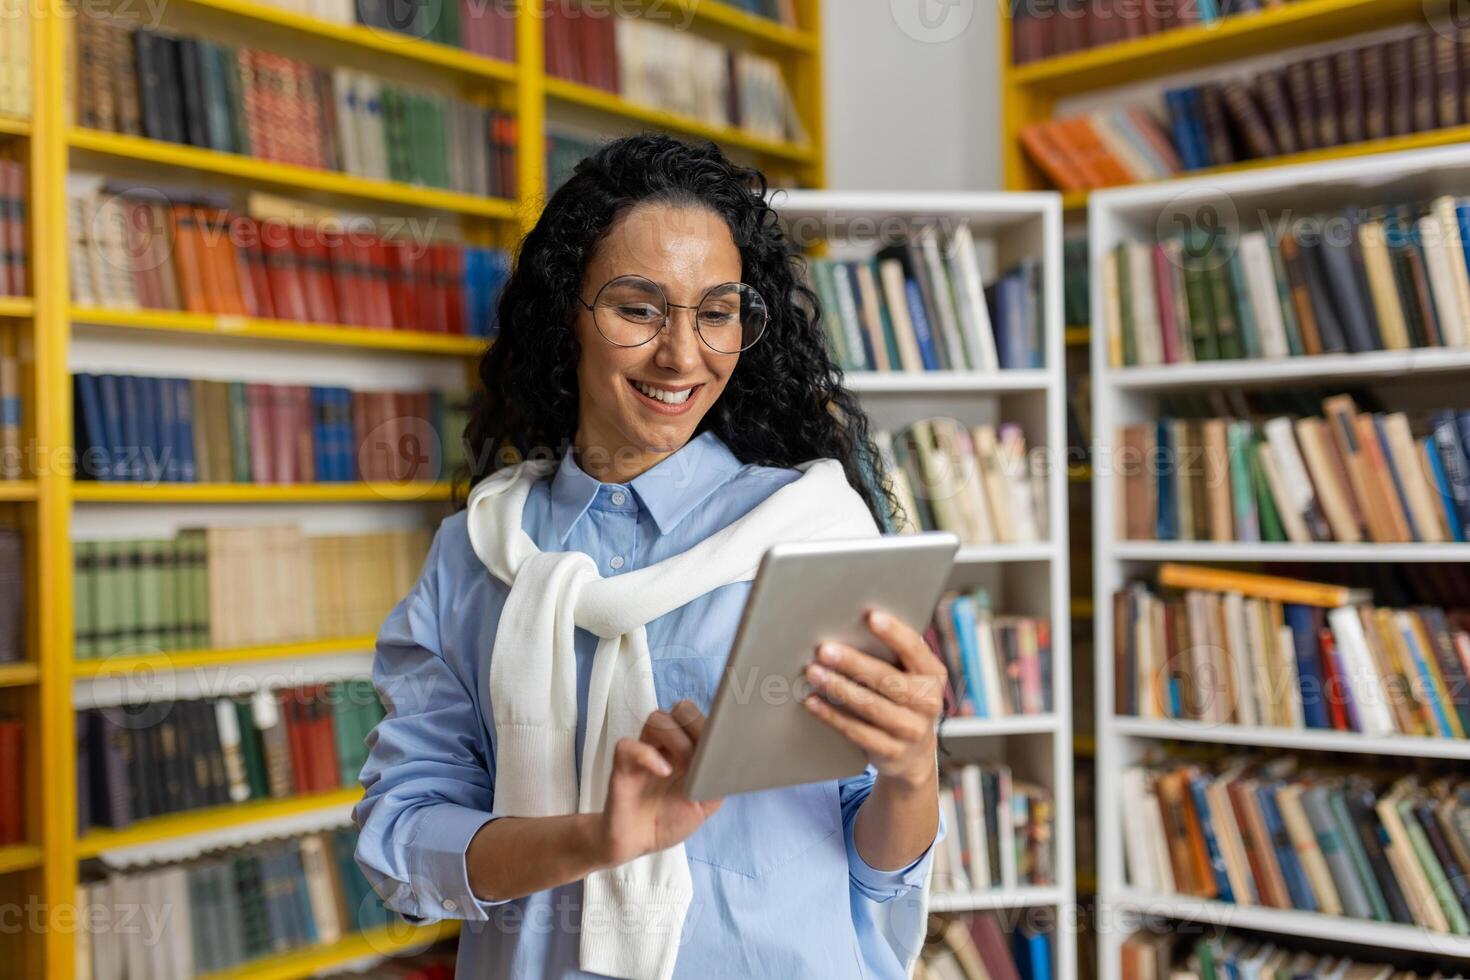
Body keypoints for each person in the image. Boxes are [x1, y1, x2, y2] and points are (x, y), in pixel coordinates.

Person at [353, 133, 947, 980]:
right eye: (638, 309)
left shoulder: (812, 527)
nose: (682, 355)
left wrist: (912, 770)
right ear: (571, 313)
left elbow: (877, 862)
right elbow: (401, 843)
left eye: (716, 311)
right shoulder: (480, 554)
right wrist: (591, 840)